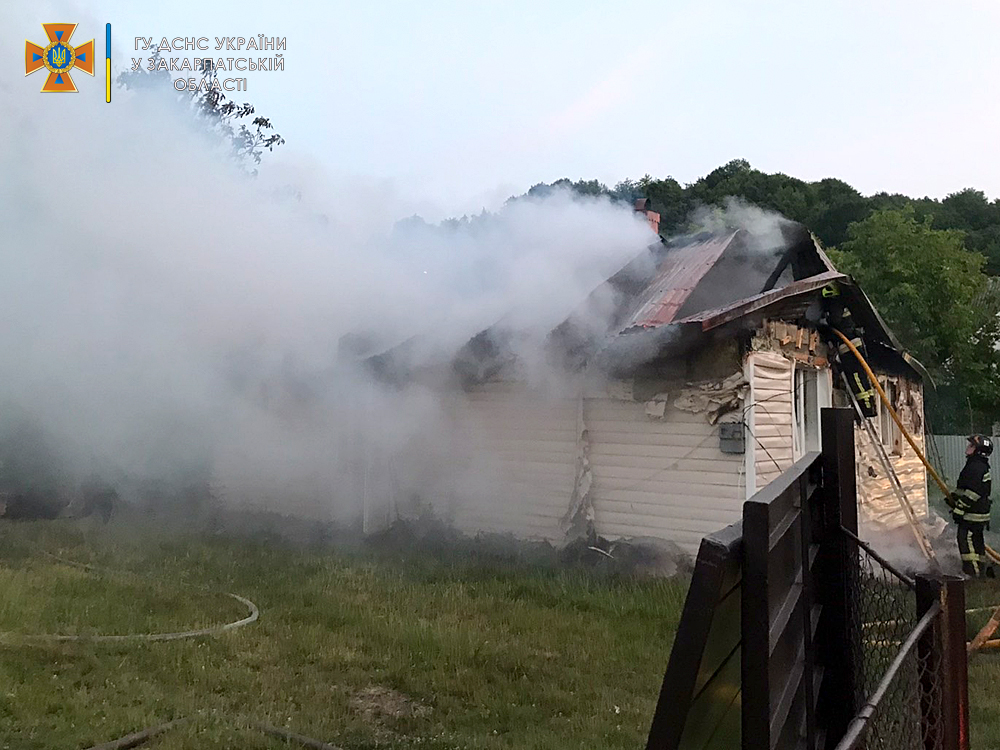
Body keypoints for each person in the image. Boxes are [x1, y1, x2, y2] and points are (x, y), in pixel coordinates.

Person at [947, 435, 995, 578]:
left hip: (972, 515)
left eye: (972, 446)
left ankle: (973, 574)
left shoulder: (975, 467)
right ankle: (980, 570)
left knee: (966, 543)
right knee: (976, 542)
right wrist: (954, 497)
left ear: (979, 451)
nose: (968, 448)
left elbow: (973, 493)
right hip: (977, 513)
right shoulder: (977, 465)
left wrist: (959, 510)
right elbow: (965, 488)